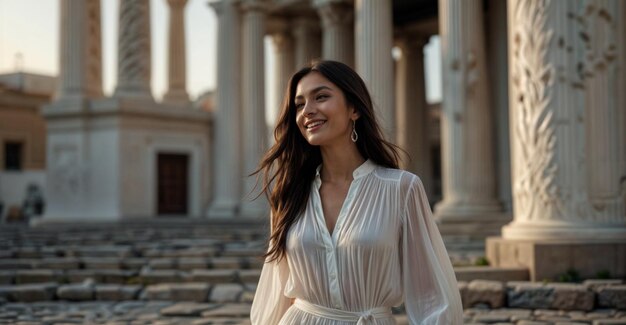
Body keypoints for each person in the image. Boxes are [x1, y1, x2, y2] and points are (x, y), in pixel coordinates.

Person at [251, 60, 463, 324]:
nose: (308, 110)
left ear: (354, 109)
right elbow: (274, 293)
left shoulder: (401, 188)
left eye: (321, 97)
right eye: (299, 104)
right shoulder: (290, 193)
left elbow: (433, 297)